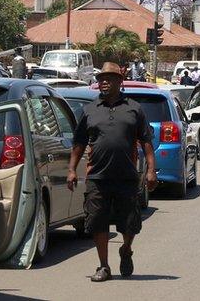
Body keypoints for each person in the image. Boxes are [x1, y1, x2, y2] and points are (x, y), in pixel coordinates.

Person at [67, 62, 156, 282]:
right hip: (97, 177)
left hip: (127, 176)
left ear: (119, 81)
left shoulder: (134, 109)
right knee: (98, 221)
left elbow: (146, 142)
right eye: (100, 79)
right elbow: (79, 143)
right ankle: (104, 266)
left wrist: (151, 170)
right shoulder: (89, 110)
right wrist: (71, 169)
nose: (103, 82)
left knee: (130, 222)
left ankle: (126, 249)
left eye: (108, 78)